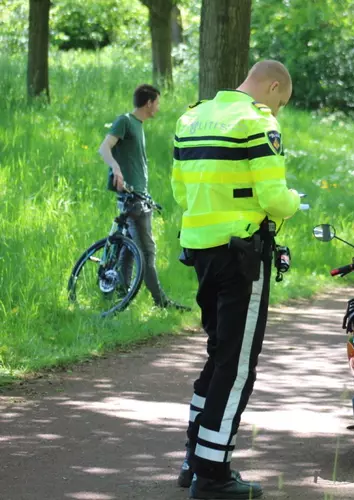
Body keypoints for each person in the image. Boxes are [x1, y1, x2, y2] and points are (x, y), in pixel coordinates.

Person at [171, 60, 300, 499]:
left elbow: (180, 193)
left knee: (219, 354)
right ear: (274, 86)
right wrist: (294, 201)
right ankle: (212, 473)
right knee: (237, 364)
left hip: (201, 249)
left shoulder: (192, 117)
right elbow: (273, 198)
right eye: (280, 103)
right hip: (242, 254)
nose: (277, 111)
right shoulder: (256, 122)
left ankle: (195, 455)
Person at [98, 84, 189, 311]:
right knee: (147, 252)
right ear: (148, 103)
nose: (158, 107)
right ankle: (160, 301)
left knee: (130, 251)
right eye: (157, 102)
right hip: (132, 199)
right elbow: (104, 148)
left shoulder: (138, 126)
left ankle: (119, 298)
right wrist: (116, 169)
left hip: (140, 196)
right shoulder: (125, 121)